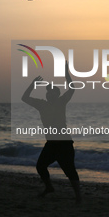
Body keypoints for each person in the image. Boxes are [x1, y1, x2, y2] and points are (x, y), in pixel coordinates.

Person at [21, 61, 81, 204]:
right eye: (48, 92)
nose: (49, 94)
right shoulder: (42, 104)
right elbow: (24, 98)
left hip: (65, 143)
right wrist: (33, 84)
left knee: (70, 171)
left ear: (57, 94)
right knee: (40, 166)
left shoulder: (61, 102)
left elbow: (72, 88)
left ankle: (78, 196)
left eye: (52, 92)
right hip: (51, 144)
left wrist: (66, 73)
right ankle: (49, 188)